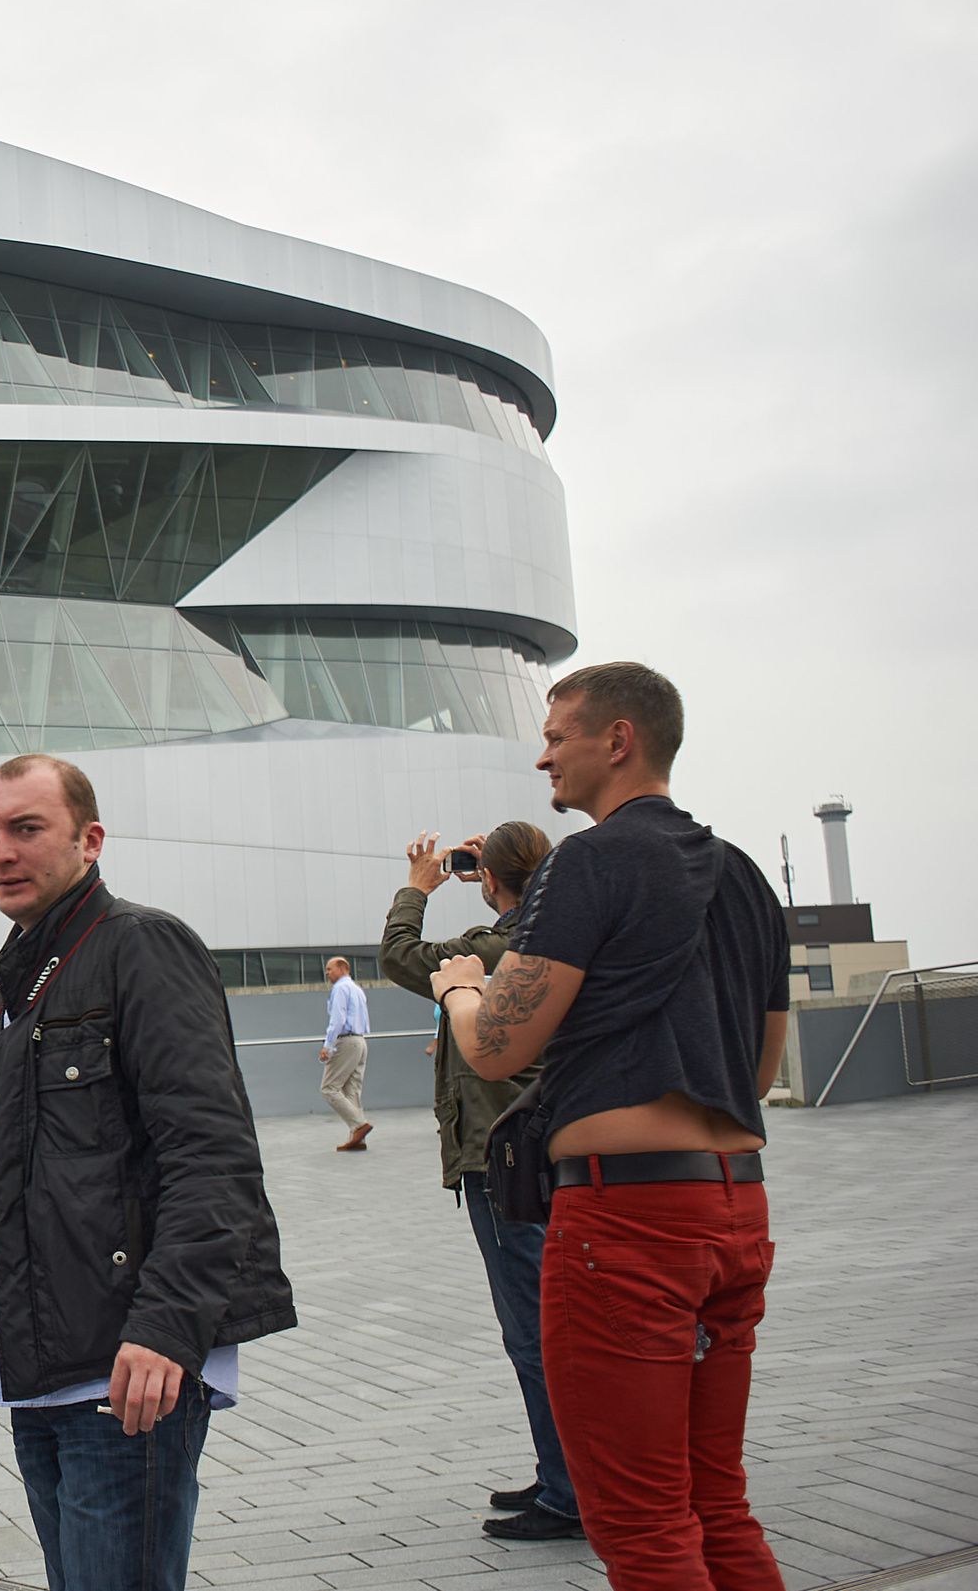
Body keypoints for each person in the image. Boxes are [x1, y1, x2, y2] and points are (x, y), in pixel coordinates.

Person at [0, 754, 294, 1591]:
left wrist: (166, 1327)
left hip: (123, 1362)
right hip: (46, 1359)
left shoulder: (140, 946)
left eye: (26, 828)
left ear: (90, 840)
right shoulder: (28, 973)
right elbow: (63, 1148)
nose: (0, 851)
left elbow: (213, 1156)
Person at [435, 661, 788, 1591]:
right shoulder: (743, 874)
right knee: (717, 1501)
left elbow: (500, 1049)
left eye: (557, 735)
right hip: (735, 1214)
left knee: (640, 1521)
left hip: (627, 1227)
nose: (542, 754)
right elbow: (757, 1071)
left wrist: (462, 990)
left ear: (618, 739)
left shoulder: (587, 861)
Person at [380, 823, 580, 1543]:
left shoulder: (501, 943)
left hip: (505, 1160)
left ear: (492, 878)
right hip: (540, 1152)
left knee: (532, 1328)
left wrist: (418, 887)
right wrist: (500, 868)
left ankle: (568, 1492)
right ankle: (561, 1470)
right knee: (544, 1323)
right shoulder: (554, 928)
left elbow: (401, 957)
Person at [320, 956, 371, 1150]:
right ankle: (358, 1139)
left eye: (329, 969)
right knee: (352, 1091)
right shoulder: (357, 989)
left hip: (347, 1040)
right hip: (360, 1040)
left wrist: (328, 1045)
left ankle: (359, 1125)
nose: (327, 973)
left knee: (329, 1088)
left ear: (342, 969)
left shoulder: (340, 989)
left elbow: (338, 1019)